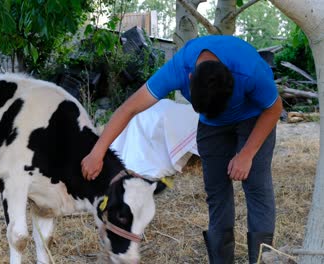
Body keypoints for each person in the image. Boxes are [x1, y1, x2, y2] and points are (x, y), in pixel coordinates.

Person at [81, 35, 282, 264]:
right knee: (216, 192)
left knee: (256, 186)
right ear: (189, 78)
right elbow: (129, 109)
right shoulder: (178, 68)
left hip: (254, 118)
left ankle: (262, 259)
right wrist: (98, 151)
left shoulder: (250, 70)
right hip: (211, 124)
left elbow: (274, 109)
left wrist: (246, 154)